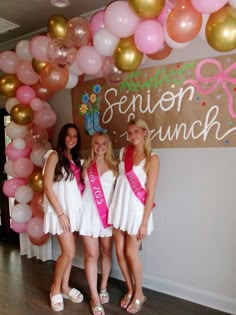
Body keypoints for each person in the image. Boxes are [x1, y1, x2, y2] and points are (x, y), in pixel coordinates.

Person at [108, 118, 160, 314]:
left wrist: (144, 223)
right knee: (119, 253)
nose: (132, 136)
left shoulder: (152, 158)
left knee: (131, 254)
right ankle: (130, 289)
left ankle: (139, 293)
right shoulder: (123, 152)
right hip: (119, 207)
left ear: (145, 132)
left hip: (136, 211)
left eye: (136, 132)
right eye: (129, 133)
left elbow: (151, 193)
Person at [43, 123, 84, 312]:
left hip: (75, 210)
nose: (72, 139)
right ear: (62, 136)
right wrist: (60, 214)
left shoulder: (75, 159)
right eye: (68, 135)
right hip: (61, 212)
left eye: (75, 136)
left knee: (69, 254)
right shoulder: (53, 155)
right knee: (68, 253)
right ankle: (55, 288)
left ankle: (65, 287)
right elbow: (47, 187)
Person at [79, 132, 118, 315]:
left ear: (108, 146)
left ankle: (103, 287)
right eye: (97, 143)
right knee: (91, 255)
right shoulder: (84, 165)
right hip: (87, 214)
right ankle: (94, 297)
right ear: (92, 145)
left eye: (104, 143)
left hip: (106, 215)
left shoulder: (115, 166)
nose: (100, 146)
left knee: (105, 251)